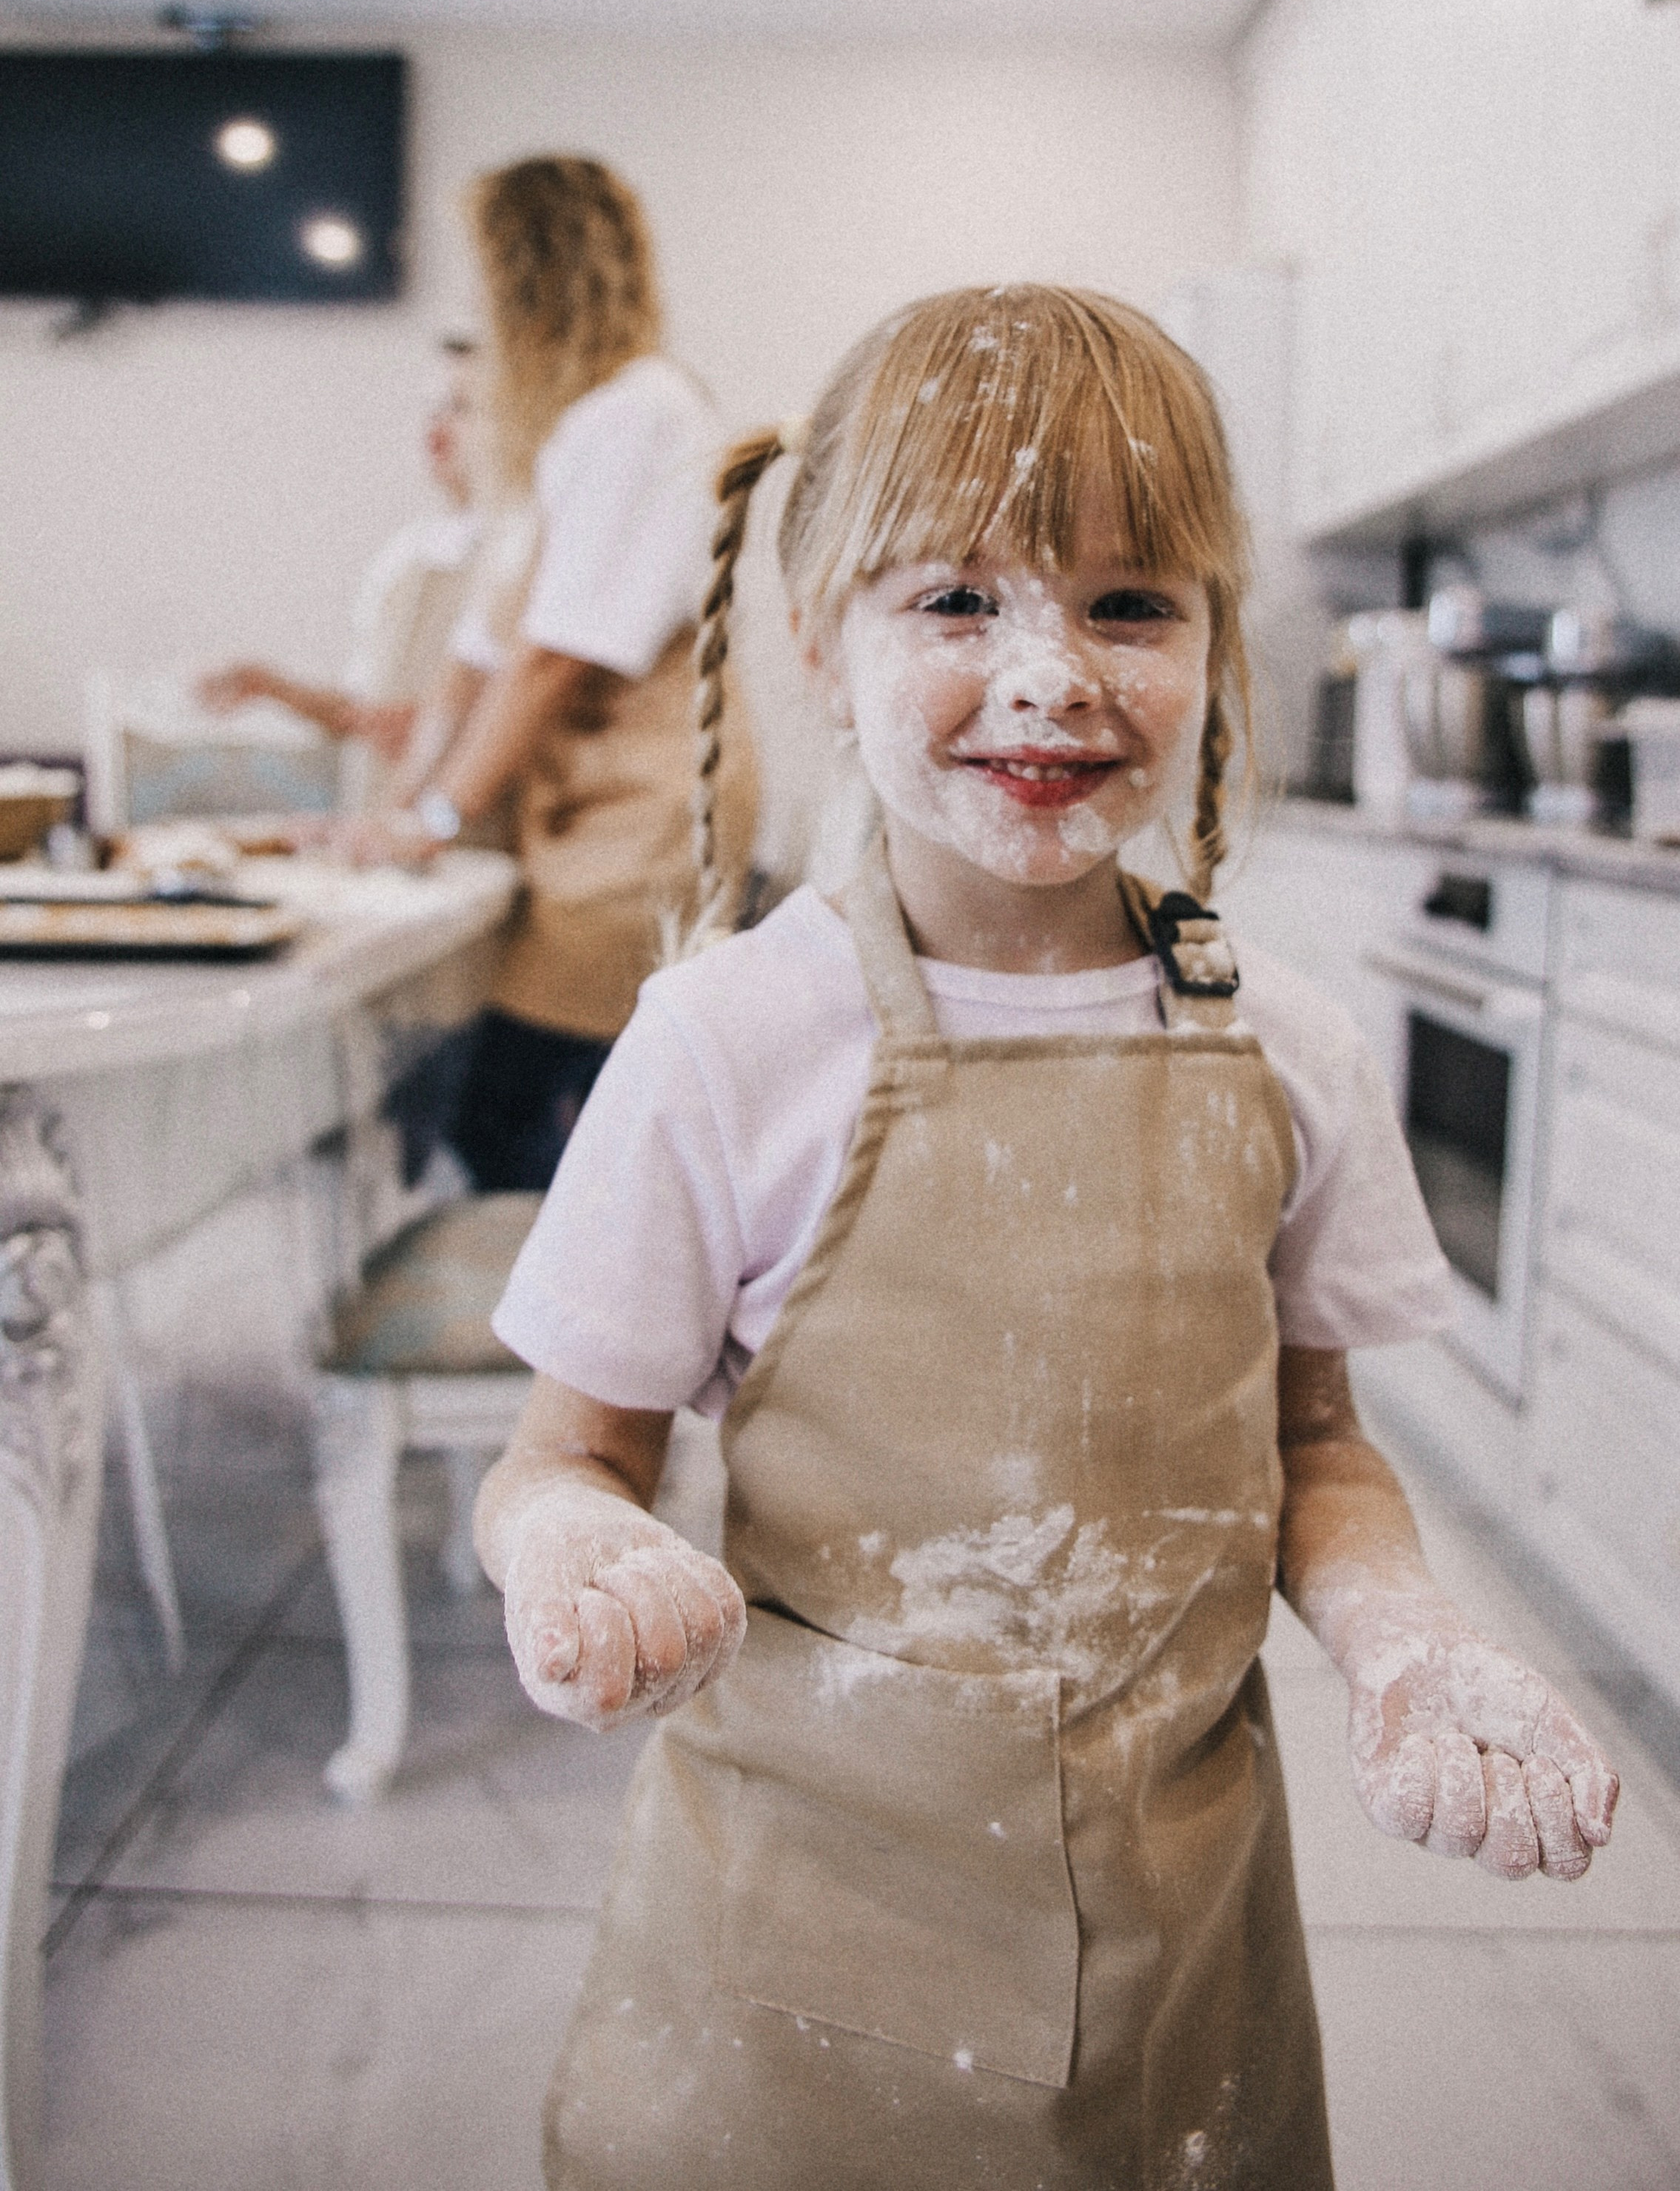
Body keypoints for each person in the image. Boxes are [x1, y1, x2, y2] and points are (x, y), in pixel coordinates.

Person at [471, 286, 1619, 2190]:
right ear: (818, 648)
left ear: (1213, 649)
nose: (1051, 674)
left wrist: (1404, 1634)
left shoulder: (1286, 1051)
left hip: (1183, 1950)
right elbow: (561, 1451)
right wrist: (578, 1543)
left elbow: (1315, 1447)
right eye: (954, 601)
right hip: (792, 1943)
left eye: (1129, 604)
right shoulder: (728, 1042)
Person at [350, 155, 754, 1191]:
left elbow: (546, 662)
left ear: (527, 275)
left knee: (514, 1112)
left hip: (640, 819)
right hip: (580, 821)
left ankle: (600, 1330)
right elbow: (479, 659)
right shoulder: (577, 430)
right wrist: (396, 808)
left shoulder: (643, 413)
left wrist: (435, 820)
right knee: (518, 1113)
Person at [198, 338, 489, 805]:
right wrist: (271, 687)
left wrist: (448, 727)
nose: (438, 424)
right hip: (387, 834)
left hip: (481, 840)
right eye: (432, 407)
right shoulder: (405, 559)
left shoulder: (528, 553)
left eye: (462, 407)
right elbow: (359, 713)